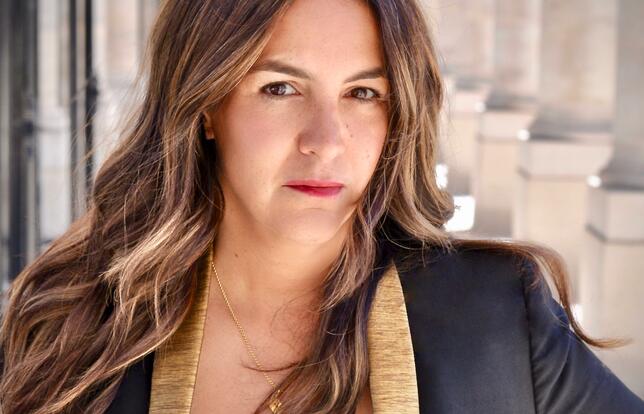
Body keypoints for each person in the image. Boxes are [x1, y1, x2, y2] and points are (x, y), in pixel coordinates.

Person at [1, 0, 643, 413]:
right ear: (205, 107)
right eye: (280, 88)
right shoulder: (74, 331)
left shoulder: (499, 315)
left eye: (363, 94)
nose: (326, 141)